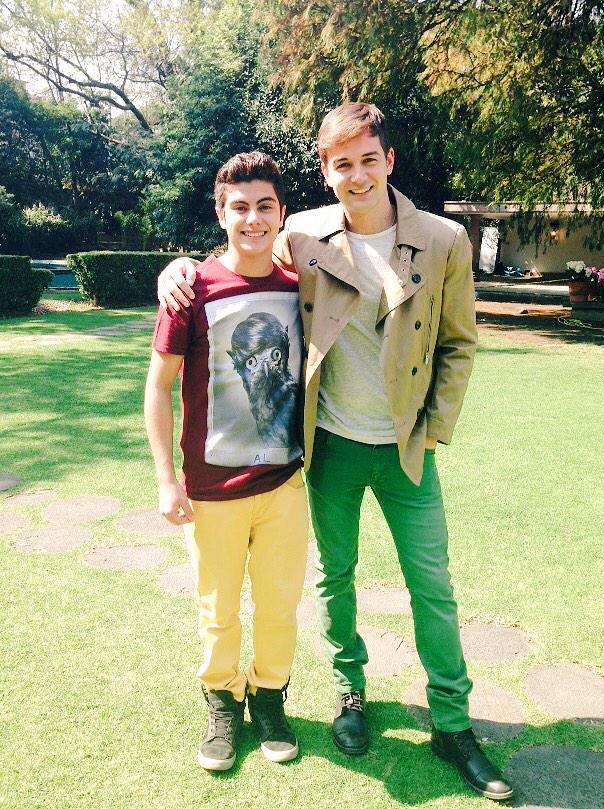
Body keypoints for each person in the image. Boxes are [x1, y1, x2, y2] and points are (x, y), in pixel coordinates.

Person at [156, 103, 513, 801]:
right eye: (342, 163)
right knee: (334, 578)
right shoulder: (305, 235)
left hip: (407, 449)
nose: (358, 175)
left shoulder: (443, 240)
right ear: (325, 172)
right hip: (331, 446)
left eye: (368, 159)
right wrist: (178, 267)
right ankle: (350, 695)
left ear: (389, 160)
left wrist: (432, 430)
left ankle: (452, 723)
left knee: (432, 586)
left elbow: (459, 343)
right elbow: (241, 246)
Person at [145, 151, 309, 772]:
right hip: (213, 491)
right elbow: (157, 387)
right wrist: (166, 480)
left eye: (265, 206)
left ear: (282, 213)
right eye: (239, 207)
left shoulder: (300, 288)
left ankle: (269, 698)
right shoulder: (190, 291)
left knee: (279, 605)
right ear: (220, 214)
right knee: (217, 610)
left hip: (284, 483)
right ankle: (221, 699)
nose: (253, 219)